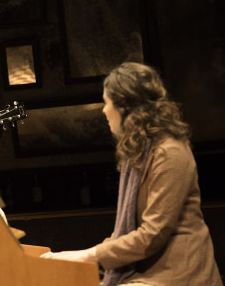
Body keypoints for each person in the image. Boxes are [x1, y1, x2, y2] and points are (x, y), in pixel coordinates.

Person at [41, 62, 223, 286]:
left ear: (125, 107)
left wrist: (88, 255)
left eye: (107, 103)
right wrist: (82, 255)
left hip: (178, 272)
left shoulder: (170, 151)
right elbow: (126, 231)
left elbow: (152, 235)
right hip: (148, 268)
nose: (103, 110)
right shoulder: (138, 152)